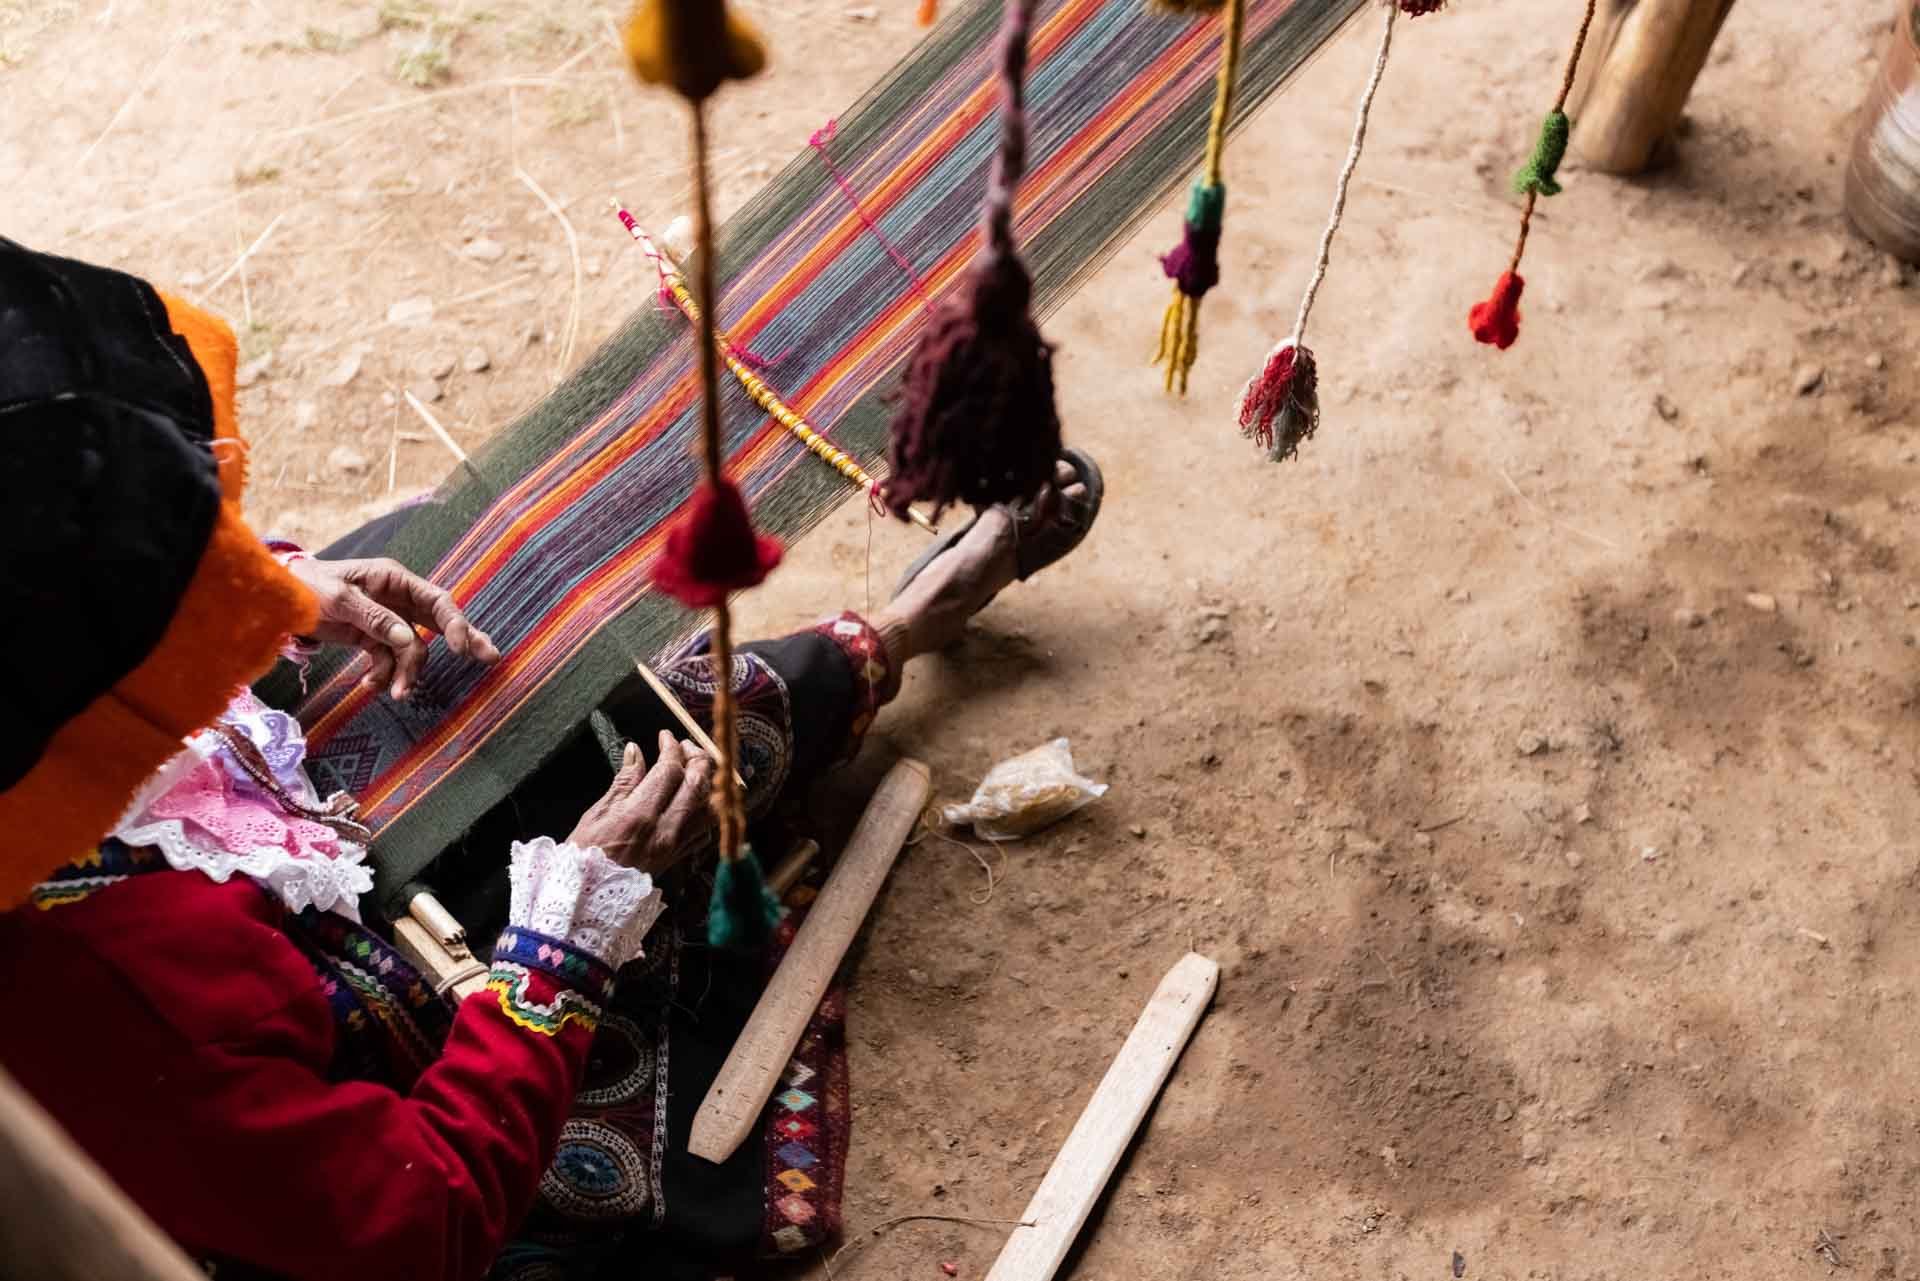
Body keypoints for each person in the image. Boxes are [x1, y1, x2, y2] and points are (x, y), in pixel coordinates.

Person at [0, 236, 1101, 1281]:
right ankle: (903, 628)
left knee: (484, 630)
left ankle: (866, 651)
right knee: (649, 748)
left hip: (211, 844)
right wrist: (564, 938)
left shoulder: (36, 695)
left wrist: (275, 596)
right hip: (334, 1094)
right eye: (192, 589)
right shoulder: (107, 1006)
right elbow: (413, 1225)